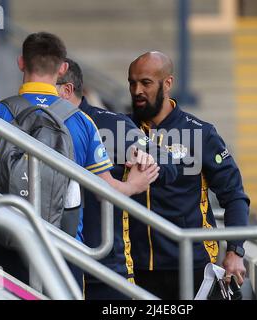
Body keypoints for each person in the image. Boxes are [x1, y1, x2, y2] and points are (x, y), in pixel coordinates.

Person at [0, 33, 159, 290]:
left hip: (7, 244)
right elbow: (104, 190)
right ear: (63, 68)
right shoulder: (83, 122)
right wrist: (134, 184)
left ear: (21, 63)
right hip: (64, 249)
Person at [127, 52, 250, 299]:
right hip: (135, 267)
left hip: (192, 265)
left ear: (168, 83)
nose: (137, 90)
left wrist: (235, 251)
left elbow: (235, 196)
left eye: (146, 83)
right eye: (132, 82)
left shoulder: (201, 133)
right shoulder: (122, 130)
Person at [56, 58, 177, 299]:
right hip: (49, 257)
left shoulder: (111, 124)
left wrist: (147, 160)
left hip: (105, 265)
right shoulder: (30, 120)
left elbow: (169, 164)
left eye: (45, 86)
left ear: (66, 90)